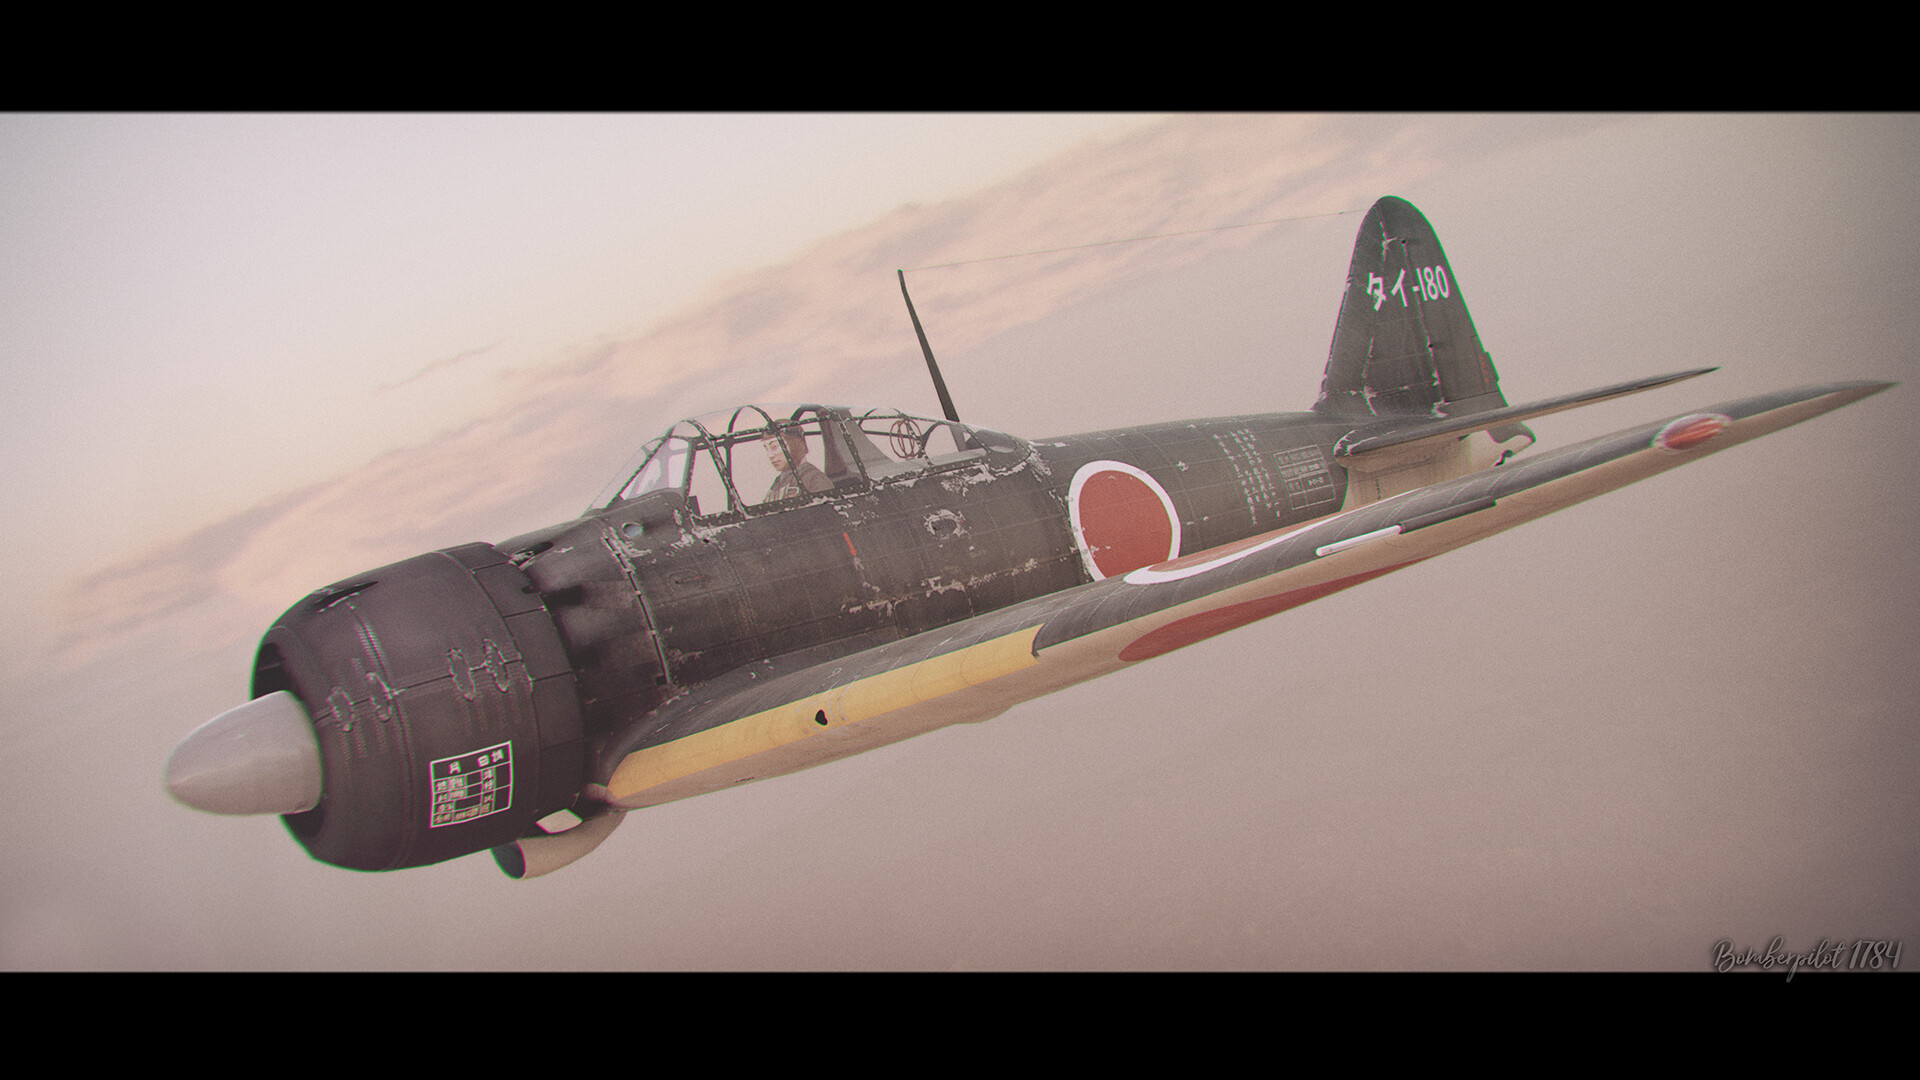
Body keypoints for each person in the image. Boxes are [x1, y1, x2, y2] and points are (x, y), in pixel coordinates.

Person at [762, 429, 833, 503]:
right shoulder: (778, 481)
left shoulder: (815, 479)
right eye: (766, 449)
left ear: (795, 445)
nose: (770, 455)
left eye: (774, 447)